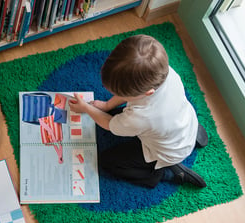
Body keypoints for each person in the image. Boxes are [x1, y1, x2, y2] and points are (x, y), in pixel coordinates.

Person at [69, 34, 208, 188]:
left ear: (147, 92)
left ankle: (162, 173)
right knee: (116, 115)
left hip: (166, 152)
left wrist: (86, 108)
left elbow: (109, 124)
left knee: (108, 161)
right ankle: (192, 136)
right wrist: (107, 105)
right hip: (183, 123)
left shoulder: (140, 117)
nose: (117, 95)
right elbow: (129, 96)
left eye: (121, 93)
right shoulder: (165, 73)